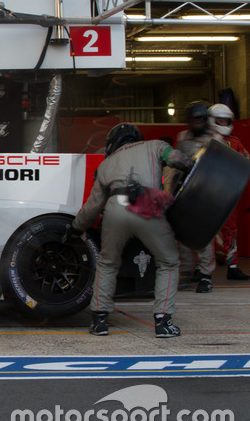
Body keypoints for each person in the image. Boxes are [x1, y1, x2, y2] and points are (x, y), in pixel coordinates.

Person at [66, 123, 194, 338]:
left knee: (107, 263)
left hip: (115, 208)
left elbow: (94, 205)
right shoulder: (156, 145)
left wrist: (76, 227)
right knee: (168, 261)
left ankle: (99, 321)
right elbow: (178, 160)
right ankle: (163, 322)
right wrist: (193, 165)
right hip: (145, 205)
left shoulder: (107, 164)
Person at [174, 101, 217, 293]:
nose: (197, 123)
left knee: (204, 237)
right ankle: (185, 273)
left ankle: (206, 276)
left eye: (200, 120)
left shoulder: (215, 139)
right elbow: (175, 163)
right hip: (185, 190)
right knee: (183, 236)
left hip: (206, 193)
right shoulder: (182, 138)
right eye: (194, 120)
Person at [208, 103, 250, 281]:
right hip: (206, 194)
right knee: (206, 231)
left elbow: (246, 162)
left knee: (231, 231)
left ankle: (232, 266)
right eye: (220, 120)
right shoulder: (204, 140)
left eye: (226, 120)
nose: (224, 123)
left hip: (228, 193)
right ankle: (202, 270)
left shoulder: (235, 142)